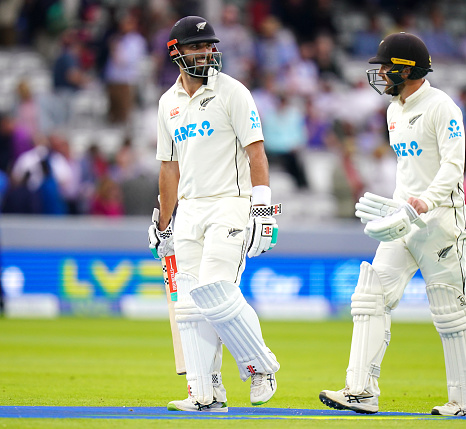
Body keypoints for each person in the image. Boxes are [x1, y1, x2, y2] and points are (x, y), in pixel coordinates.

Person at [319, 33, 466, 417]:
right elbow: (408, 168)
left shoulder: (441, 106)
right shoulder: (393, 110)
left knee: (449, 310)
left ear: (406, 68)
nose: (380, 73)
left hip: (441, 220)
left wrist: (426, 201)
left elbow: (453, 165)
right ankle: (361, 390)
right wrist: (398, 206)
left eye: (385, 66)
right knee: (370, 295)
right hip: (404, 221)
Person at [148, 16, 280, 413]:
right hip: (189, 208)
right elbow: (168, 167)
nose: (205, 52)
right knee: (188, 305)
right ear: (175, 52)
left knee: (216, 291)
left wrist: (263, 209)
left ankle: (261, 365)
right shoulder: (167, 104)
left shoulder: (233, 92)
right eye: (195, 46)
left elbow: (257, 152)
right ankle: (204, 394)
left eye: (209, 45)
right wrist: (163, 221)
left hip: (231, 203)